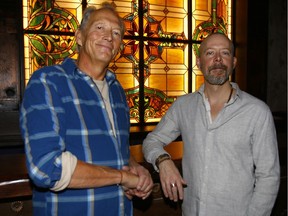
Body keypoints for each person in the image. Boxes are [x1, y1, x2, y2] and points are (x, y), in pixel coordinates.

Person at [20, 2, 153, 216]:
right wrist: (122, 177)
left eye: (116, 32)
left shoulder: (118, 91)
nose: (109, 36)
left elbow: (118, 151)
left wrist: (134, 167)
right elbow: (45, 168)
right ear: (79, 37)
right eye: (99, 27)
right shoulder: (48, 82)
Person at [142, 33, 280, 216]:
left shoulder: (257, 111)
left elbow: (268, 176)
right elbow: (151, 141)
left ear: (234, 62)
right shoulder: (183, 106)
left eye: (224, 53)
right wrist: (163, 161)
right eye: (209, 53)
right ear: (198, 62)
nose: (217, 59)